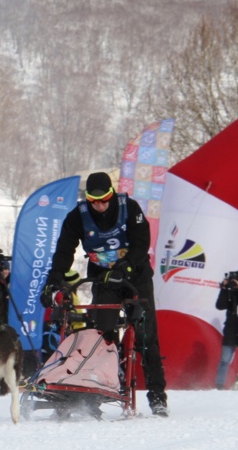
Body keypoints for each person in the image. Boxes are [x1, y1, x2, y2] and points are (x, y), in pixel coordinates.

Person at [47, 171, 169, 416]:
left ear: (111, 195)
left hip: (135, 276)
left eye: (104, 200)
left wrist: (126, 267)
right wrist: (54, 280)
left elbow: (141, 241)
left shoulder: (129, 207)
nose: (100, 206)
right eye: (94, 201)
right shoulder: (77, 217)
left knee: (146, 336)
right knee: (102, 336)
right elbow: (63, 251)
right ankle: (99, 390)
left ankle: (158, 397)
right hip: (104, 278)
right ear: (88, 199)